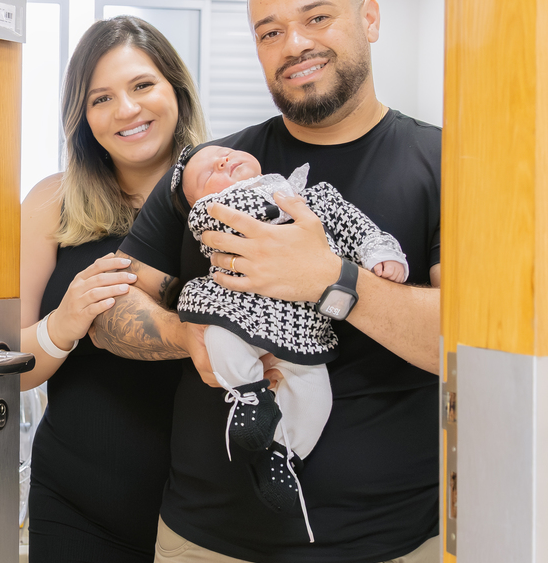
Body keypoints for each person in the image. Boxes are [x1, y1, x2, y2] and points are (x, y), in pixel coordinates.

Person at [90, 0, 442, 563]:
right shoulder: (210, 170)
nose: (294, 45)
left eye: (317, 17)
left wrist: (331, 279)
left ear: (368, 17)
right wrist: (192, 338)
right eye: (270, 31)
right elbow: (110, 309)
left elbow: (465, 346)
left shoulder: (442, 164)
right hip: (202, 561)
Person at [19, 16, 208, 563]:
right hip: (79, 506)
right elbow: (9, 365)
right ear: (83, 116)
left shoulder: (229, 191)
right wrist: (63, 324)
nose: (126, 110)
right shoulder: (53, 201)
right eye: (101, 98)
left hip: (208, 510)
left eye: (142, 86)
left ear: (175, 90)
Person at [173, 145, 408, 539]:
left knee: (315, 394)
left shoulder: (314, 196)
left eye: (226, 153)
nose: (224, 161)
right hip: (238, 308)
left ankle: (282, 455)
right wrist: (274, 202)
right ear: (199, 197)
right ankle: (250, 396)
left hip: (301, 323)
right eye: (207, 172)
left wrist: (379, 252)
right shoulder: (212, 211)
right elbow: (219, 221)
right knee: (220, 340)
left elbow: (354, 225)